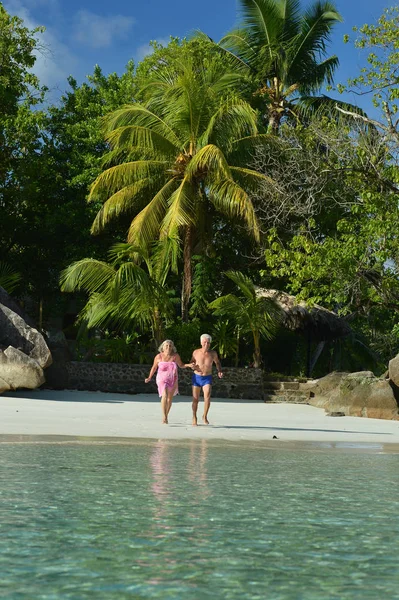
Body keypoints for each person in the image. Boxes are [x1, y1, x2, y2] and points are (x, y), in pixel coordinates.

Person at [145, 340, 197, 424]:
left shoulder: (175, 356)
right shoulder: (158, 356)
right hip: (161, 379)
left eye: (170, 346)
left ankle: (166, 416)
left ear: (172, 347)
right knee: (164, 395)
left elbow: (181, 365)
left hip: (173, 379)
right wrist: (149, 377)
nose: (168, 347)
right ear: (162, 347)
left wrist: (189, 365)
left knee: (169, 399)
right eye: (166, 345)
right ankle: (164, 416)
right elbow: (154, 367)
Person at [191, 334, 223, 426]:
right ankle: (194, 417)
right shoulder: (196, 352)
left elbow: (217, 363)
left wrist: (219, 371)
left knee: (207, 397)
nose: (206, 344)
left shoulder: (213, 353)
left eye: (208, 342)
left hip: (207, 377)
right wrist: (192, 366)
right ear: (201, 342)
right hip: (197, 377)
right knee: (195, 399)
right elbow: (191, 362)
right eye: (204, 342)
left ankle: (204, 416)